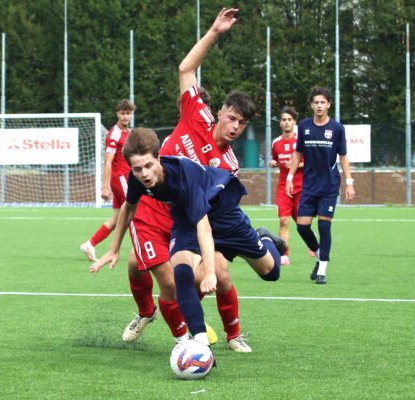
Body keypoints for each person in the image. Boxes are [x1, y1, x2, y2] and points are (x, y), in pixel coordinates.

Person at [110, 7, 271, 352]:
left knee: (216, 275)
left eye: (241, 123)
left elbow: (209, 210)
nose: (234, 126)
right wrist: (214, 31)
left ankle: (226, 335)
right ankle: (148, 315)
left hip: (188, 218)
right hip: (153, 207)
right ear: (220, 113)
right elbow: (186, 69)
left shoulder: (227, 165)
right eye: (231, 118)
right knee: (136, 264)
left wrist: (211, 253)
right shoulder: (196, 113)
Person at [91, 128, 284, 351]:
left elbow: (205, 228)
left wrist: (209, 272)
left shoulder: (184, 177)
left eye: (149, 166)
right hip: (185, 214)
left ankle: (265, 238)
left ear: (159, 158)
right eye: (137, 169)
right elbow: (128, 207)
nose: (144, 173)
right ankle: (199, 343)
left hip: (223, 212)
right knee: (181, 272)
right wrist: (114, 249)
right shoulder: (137, 178)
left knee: (271, 272)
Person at [285, 86, 355, 284]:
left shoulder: (337, 129)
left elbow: (343, 157)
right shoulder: (305, 126)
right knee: (302, 227)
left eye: (323, 102)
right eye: (316, 102)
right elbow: (298, 154)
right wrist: (290, 178)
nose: (319, 106)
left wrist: (349, 183)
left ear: (329, 105)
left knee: (324, 226)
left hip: (330, 185)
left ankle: (322, 268)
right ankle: (318, 254)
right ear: (311, 105)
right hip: (308, 185)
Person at [80, 99, 135, 261]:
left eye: (128, 113)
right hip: (120, 179)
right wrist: (105, 187)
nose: (125, 116)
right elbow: (108, 161)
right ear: (117, 114)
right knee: (135, 212)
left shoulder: (128, 132)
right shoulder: (114, 134)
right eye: (122, 113)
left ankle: (89, 244)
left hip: (126, 178)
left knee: (117, 218)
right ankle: (142, 248)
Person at [270, 106, 314, 265]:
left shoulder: (301, 141)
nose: (286, 122)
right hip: (283, 187)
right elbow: (274, 158)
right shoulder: (276, 142)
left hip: (301, 187)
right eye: (284, 120)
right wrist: (273, 162)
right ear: (280, 123)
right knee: (283, 220)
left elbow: (311, 161)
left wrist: (296, 164)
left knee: (302, 221)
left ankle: (312, 243)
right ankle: (284, 255)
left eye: (289, 120)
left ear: (294, 123)